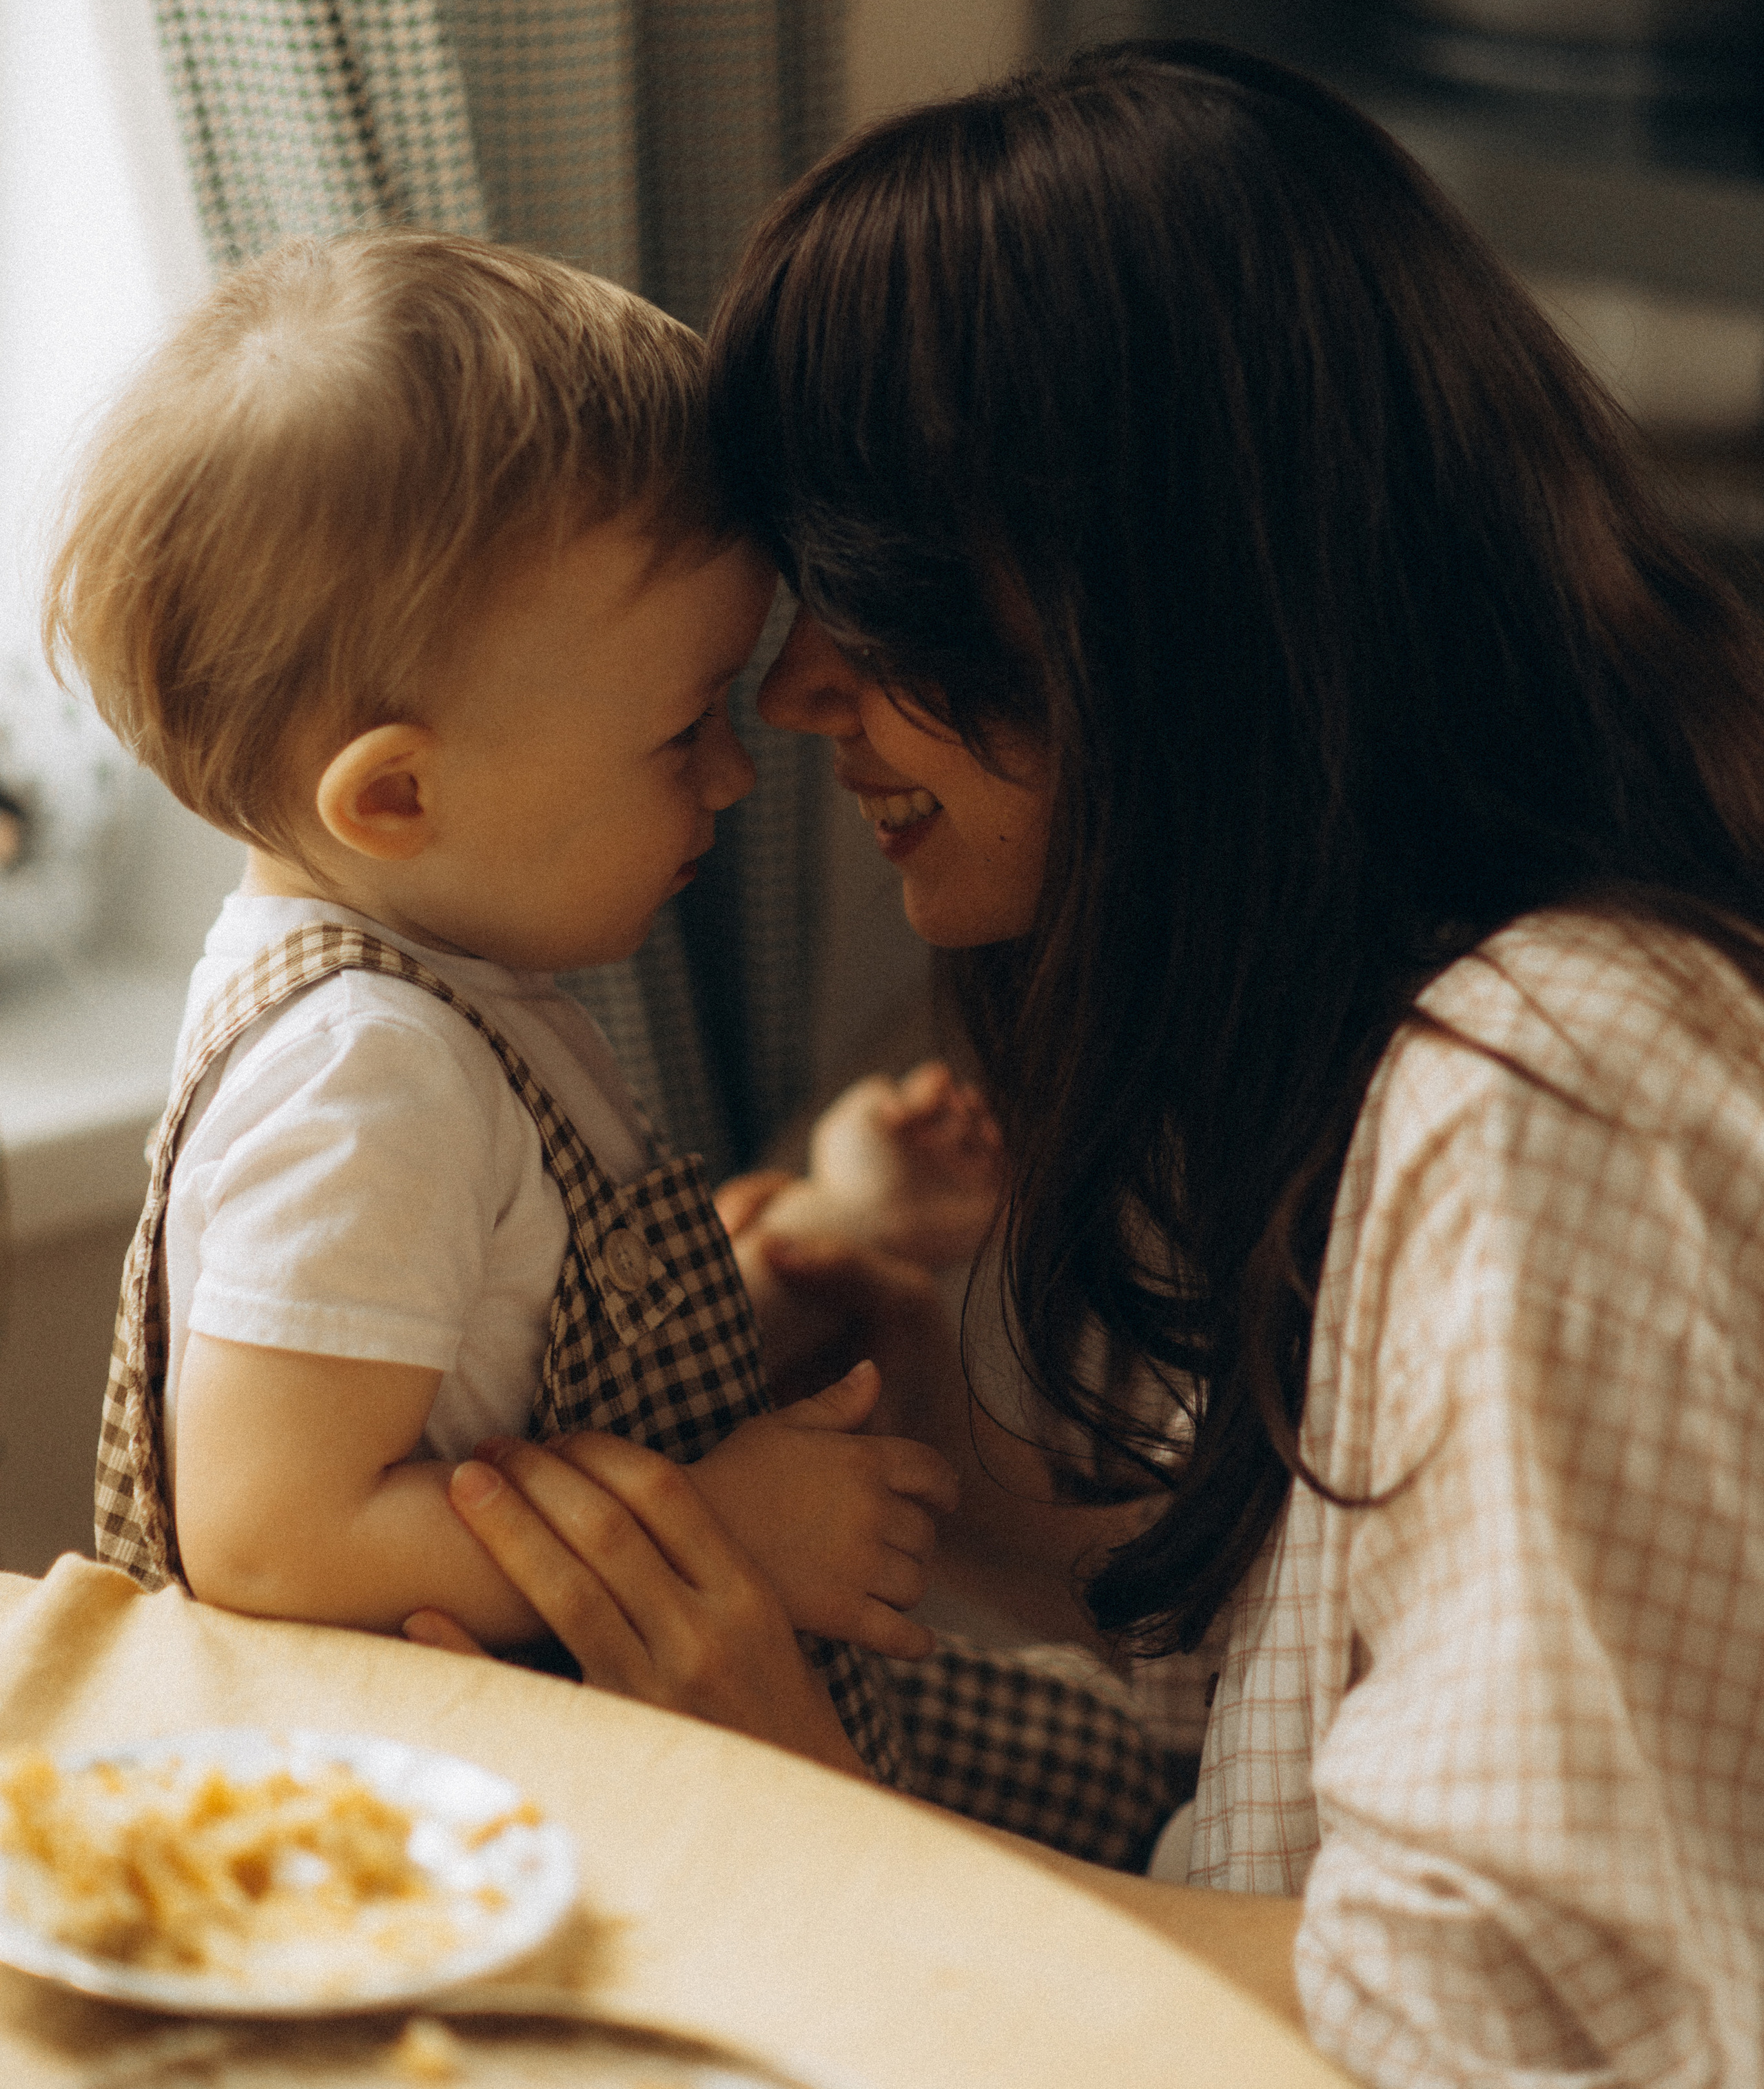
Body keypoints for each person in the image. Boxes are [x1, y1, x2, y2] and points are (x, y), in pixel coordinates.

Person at [420, 47, 1764, 2086]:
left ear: (1156, 594)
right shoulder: (1357, 1029)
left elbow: (1500, 2026)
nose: (794, 692)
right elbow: (1299, 1670)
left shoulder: (1551, 1087)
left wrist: (808, 1809)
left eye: (869, 591)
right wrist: (926, 1419)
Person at [43, 232, 1183, 1851]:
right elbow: (269, 1536)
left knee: (1110, 1773)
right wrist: (716, 1527)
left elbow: (500, 1360)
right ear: (396, 797)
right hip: (462, 1793)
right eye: (681, 727)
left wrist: (817, 1257)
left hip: (576, 1709)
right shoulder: (370, 1068)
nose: (733, 768)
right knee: (1094, 1829)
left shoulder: (436, 999)